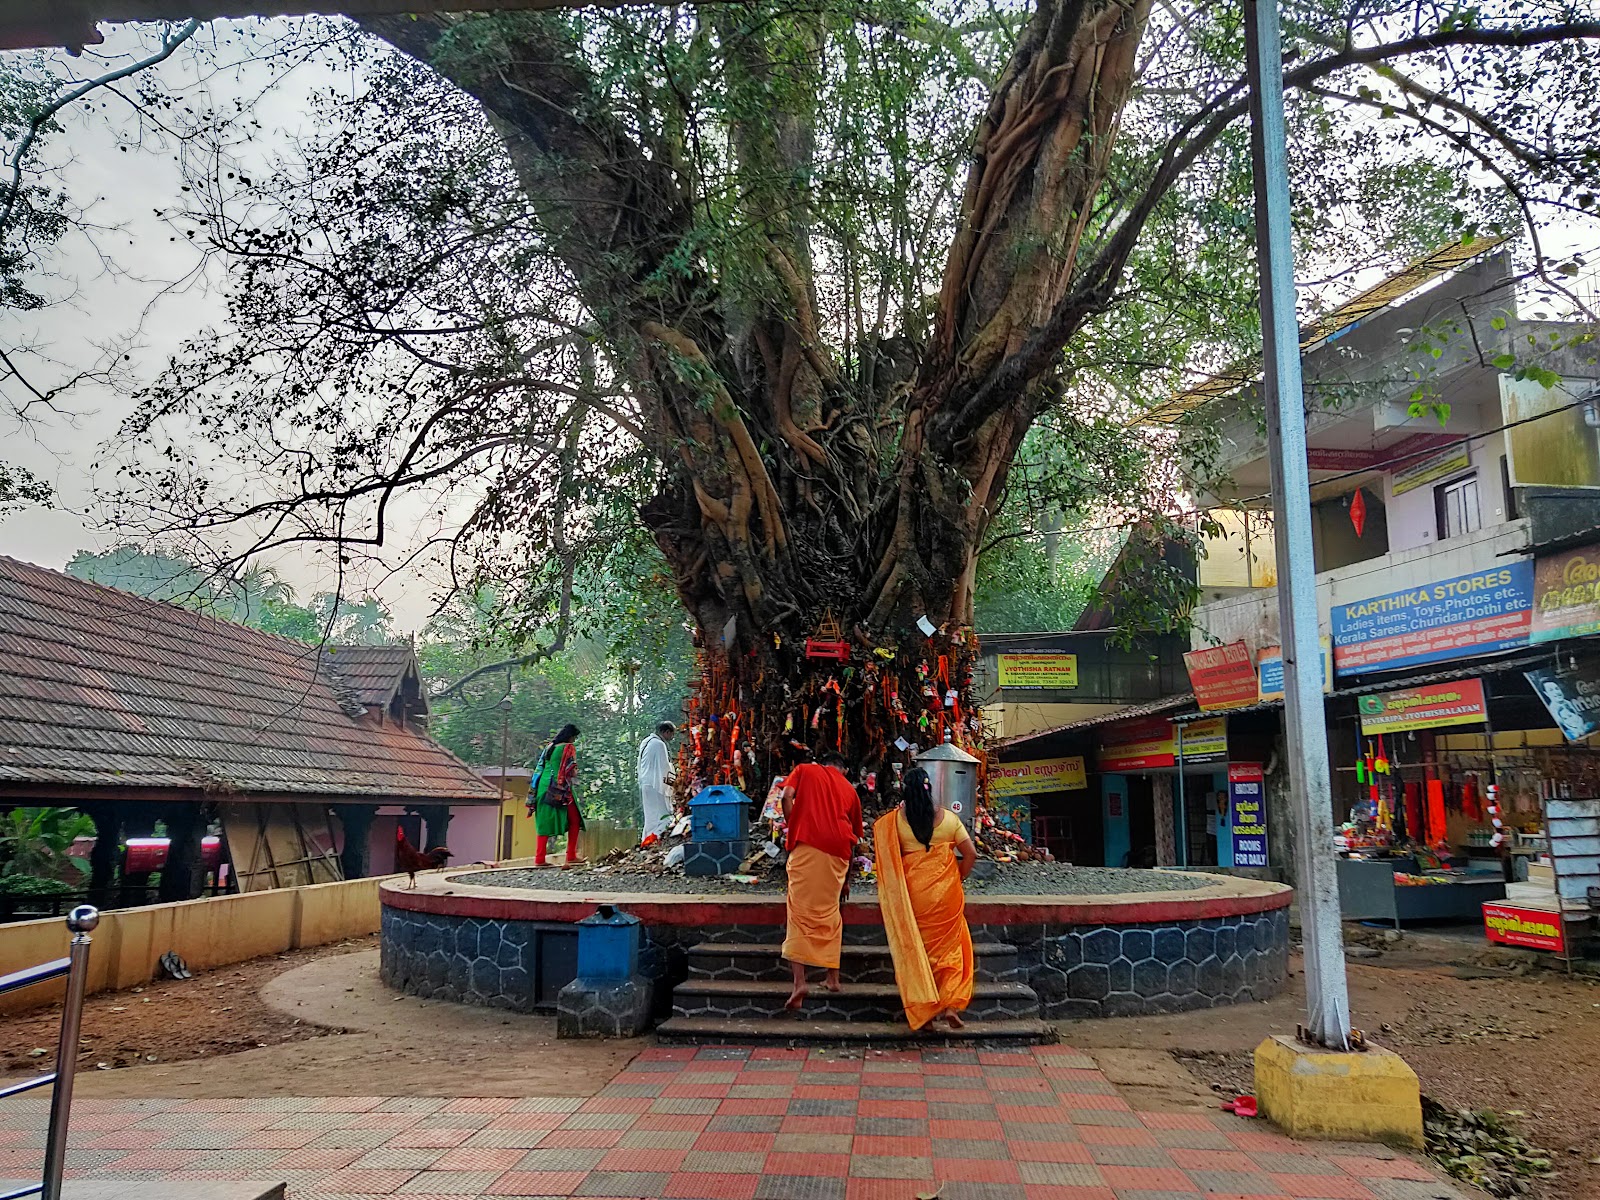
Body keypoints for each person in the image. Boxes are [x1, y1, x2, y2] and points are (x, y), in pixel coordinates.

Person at [873, 765, 976, 1031]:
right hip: (947, 896)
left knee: (920, 952)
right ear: (931, 789)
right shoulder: (950, 820)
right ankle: (951, 1006)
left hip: (913, 896)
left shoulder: (894, 822)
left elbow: (888, 858)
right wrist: (958, 878)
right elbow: (971, 854)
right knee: (951, 951)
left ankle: (926, 1014)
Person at [778, 751, 863, 1010]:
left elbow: (785, 796)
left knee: (799, 913)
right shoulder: (850, 790)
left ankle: (799, 983)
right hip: (839, 854)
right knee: (830, 912)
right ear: (844, 770)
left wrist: (795, 823)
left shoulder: (805, 770)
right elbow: (854, 839)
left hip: (808, 846)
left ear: (823, 763)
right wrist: (847, 880)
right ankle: (833, 978)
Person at [531, 724, 585, 868]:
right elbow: (572, 771)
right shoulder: (568, 748)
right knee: (575, 819)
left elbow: (540, 767)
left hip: (543, 786)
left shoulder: (549, 747)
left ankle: (539, 859)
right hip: (560, 789)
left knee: (543, 822)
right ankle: (571, 856)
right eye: (574, 737)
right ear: (571, 736)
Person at [637, 721, 678, 840]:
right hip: (656, 785)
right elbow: (664, 768)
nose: (672, 737)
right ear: (666, 732)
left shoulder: (646, 741)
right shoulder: (659, 744)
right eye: (672, 734)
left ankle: (647, 839)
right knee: (662, 814)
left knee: (650, 816)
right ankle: (657, 838)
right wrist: (674, 784)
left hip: (646, 784)